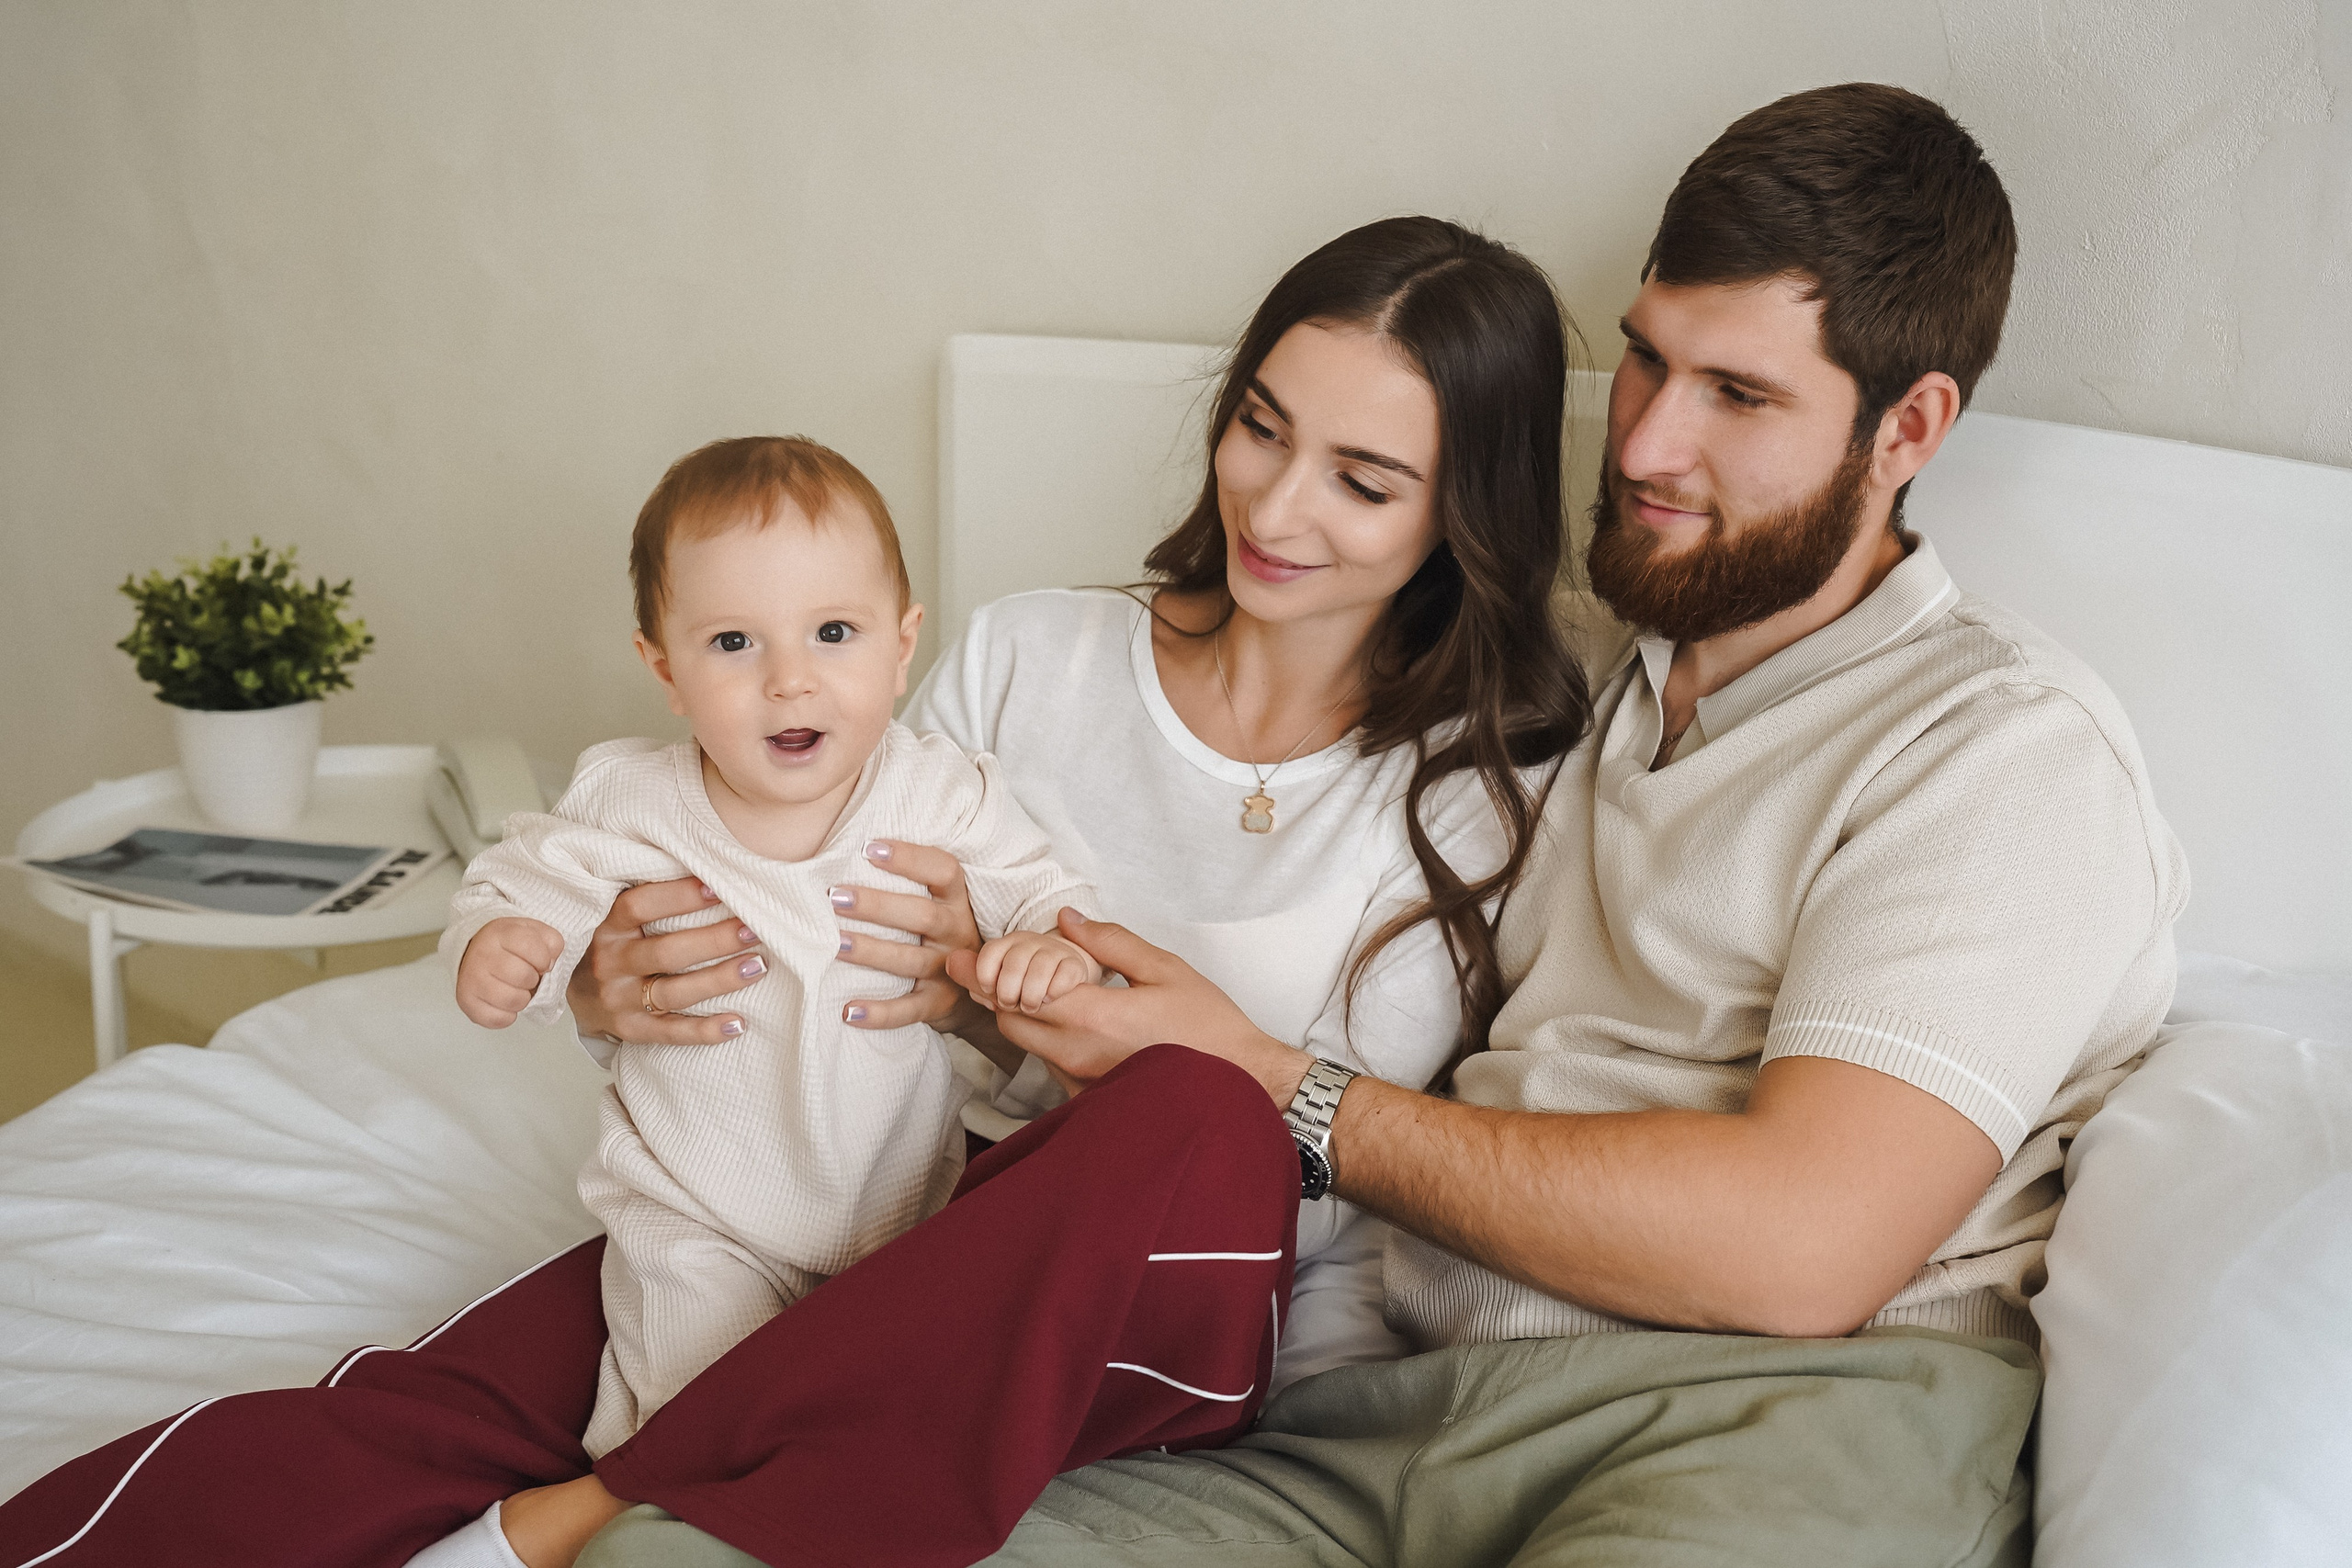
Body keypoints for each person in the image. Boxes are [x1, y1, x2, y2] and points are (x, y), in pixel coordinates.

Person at [579, 83, 2182, 1566]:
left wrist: (1270, 1080)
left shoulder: (1994, 748)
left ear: (1908, 429)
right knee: (682, 1553)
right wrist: (614, 951)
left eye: (1738, 395)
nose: (1641, 445)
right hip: (1376, 1425)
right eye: (1646, 360)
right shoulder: (1586, 690)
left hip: (1771, 1417)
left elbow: (1804, 1249)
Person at [0, 216, 1589, 1568]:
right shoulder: (1035, 653)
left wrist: (1093, 1022)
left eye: (1363, 479)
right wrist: (606, 979)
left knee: (1193, 1104)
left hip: (1164, 1283)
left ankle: (594, 1508)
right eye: (1260, 426)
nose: (1277, 504)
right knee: (439, 1400)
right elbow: (814, 917)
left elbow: (1390, 1152)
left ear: (1466, 509)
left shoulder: (1498, 782)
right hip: (904, 1196)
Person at [440, 434, 1102, 1497]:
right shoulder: (632, 799)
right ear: (665, 668)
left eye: (833, 633)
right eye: (733, 642)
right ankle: (659, 1521)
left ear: (902, 646)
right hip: (699, 1210)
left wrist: (1040, 945)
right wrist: (501, 941)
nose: (790, 680)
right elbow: (521, 881)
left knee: (891, 1419)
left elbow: (1042, 890)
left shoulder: (936, 792)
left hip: (901, 1210)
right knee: (697, 1419)